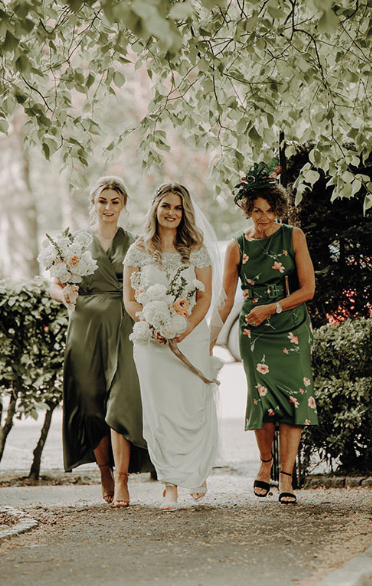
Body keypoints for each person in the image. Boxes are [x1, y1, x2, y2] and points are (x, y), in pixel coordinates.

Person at [215, 160, 317, 505]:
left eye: (270, 210)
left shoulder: (294, 236)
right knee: (263, 401)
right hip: (254, 332)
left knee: (293, 400)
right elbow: (227, 297)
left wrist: (272, 308)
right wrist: (210, 334)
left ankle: (286, 478)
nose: (264, 217)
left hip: (291, 326)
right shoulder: (236, 247)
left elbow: (308, 290)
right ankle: (265, 465)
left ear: (279, 209)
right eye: (256, 210)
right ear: (247, 210)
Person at [49, 176, 153, 507]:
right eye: (102, 201)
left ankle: (122, 481)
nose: (108, 208)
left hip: (123, 325)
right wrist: (64, 293)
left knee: (121, 400)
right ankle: (105, 471)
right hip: (86, 325)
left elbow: (145, 287)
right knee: (91, 402)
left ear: (123, 206)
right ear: (92, 203)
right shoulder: (76, 242)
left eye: (115, 202)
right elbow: (55, 283)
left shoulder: (136, 243)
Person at [123, 183, 219, 511]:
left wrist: (185, 327)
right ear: (155, 208)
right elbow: (130, 299)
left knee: (191, 405)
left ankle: (194, 471)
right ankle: (170, 485)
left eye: (177, 208)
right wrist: (151, 321)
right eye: (166, 206)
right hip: (151, 342)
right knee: (160, 411)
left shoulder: (196, 248)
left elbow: (204, 296)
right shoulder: (137, 250)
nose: (171, 213)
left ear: (185, 212)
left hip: (189, 336)